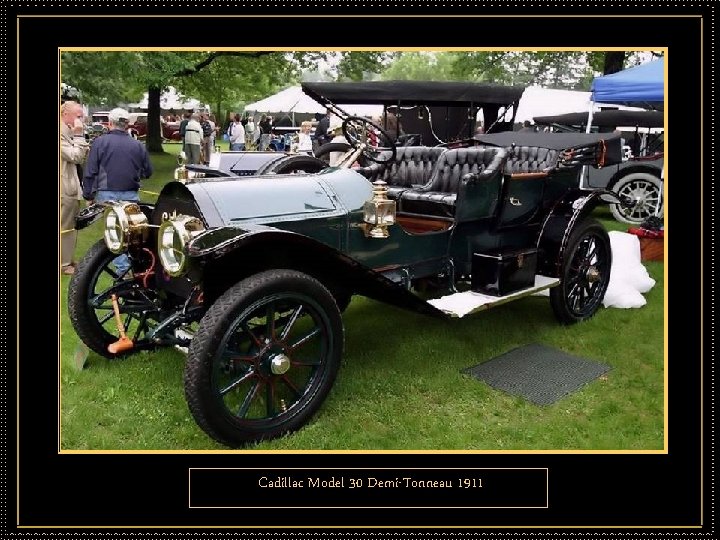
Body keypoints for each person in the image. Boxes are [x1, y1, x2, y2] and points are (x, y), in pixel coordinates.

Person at [82, 107, 153, 275]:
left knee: (114, 234)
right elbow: (148, 171)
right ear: (127, 124)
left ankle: (123, 270)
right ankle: (133, 267)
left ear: (110, 123)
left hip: (107, 194)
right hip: (130, 193)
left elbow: (90, 170)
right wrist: (137, 175)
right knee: (132, 233)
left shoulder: (100, 142)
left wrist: (88, 195)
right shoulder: (137, 144)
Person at [60, 100, 90, 276]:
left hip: (70, 185)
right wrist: (79, 136)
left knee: (69, 225)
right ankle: (64, 264)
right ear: (65, 115)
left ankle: (68, 259)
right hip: (64, 188)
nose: (81, 120)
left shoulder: (67, 132)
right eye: (78, 116)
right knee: (65, 226)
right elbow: (76, 156)